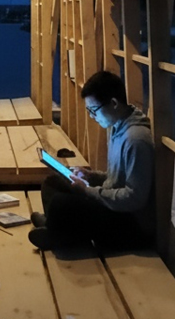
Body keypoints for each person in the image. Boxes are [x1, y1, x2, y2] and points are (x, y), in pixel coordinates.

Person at [28, 69, 156, 252]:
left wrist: (89, 191)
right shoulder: (117, 127)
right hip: (115, 206)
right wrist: (91, 176)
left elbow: (134, 198)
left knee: (61, 203)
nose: (91, 116)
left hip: (131, 224)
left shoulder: (136, 139)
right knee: (52, 183)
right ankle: (54, 226)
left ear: (113, 103)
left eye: (93, 110)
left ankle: (57, 234)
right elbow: (116, 178)